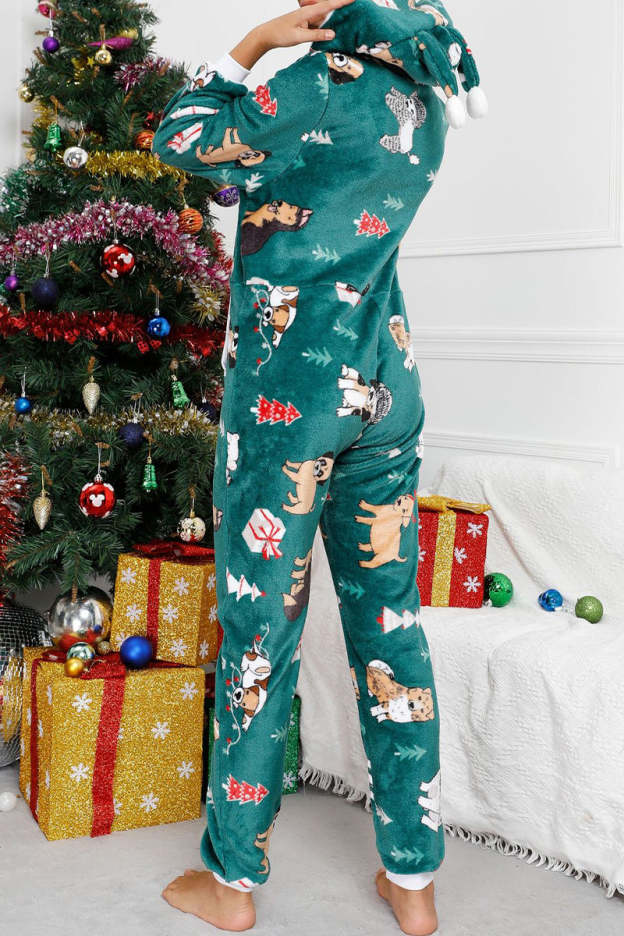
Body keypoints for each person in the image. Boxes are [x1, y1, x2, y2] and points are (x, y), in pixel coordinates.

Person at [151, 1, 485, 932]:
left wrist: (256, 42)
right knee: (391, 626)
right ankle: (413, 882)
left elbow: (180, 137)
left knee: (261, 632)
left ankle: (231, 883)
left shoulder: (312, 86)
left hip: (290, 395)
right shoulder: (425, 93)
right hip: (388, 380)